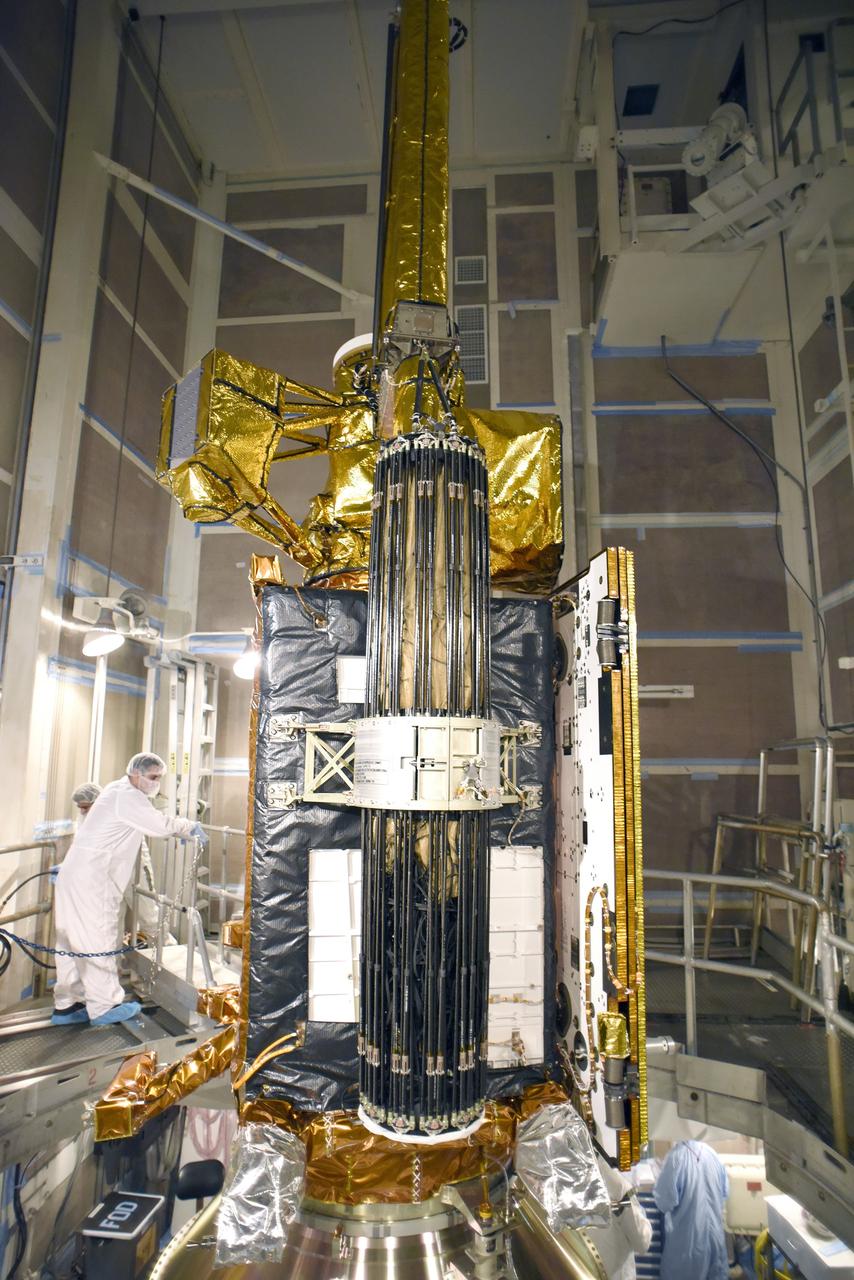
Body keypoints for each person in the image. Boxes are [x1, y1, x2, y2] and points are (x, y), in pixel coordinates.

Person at [52, 753, 207, 1027]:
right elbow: (159, 825)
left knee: (69, 941)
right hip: (93, 882)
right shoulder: (128, 796)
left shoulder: (114, 789)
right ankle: (104, 1005)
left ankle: (67, 1004)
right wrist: (189, 827)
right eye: (153, 777)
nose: (156, 783)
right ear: (136, 773)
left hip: (75, 877)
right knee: (96, 938)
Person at [71, 781, 164, 940]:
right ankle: (113, 962)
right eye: (80, 807)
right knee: (111, 921)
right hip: (108, 874)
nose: (82, 810)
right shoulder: (84, 818)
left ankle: (166, 949)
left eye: (85, 807)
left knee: (148, 913)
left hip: (135, 867)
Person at [654, 1140, 730, 1280]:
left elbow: (664, 1203)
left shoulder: (675, 1158)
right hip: (715, 1243)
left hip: (688, 1246)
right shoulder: (713, 1154)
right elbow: (725, 1192)